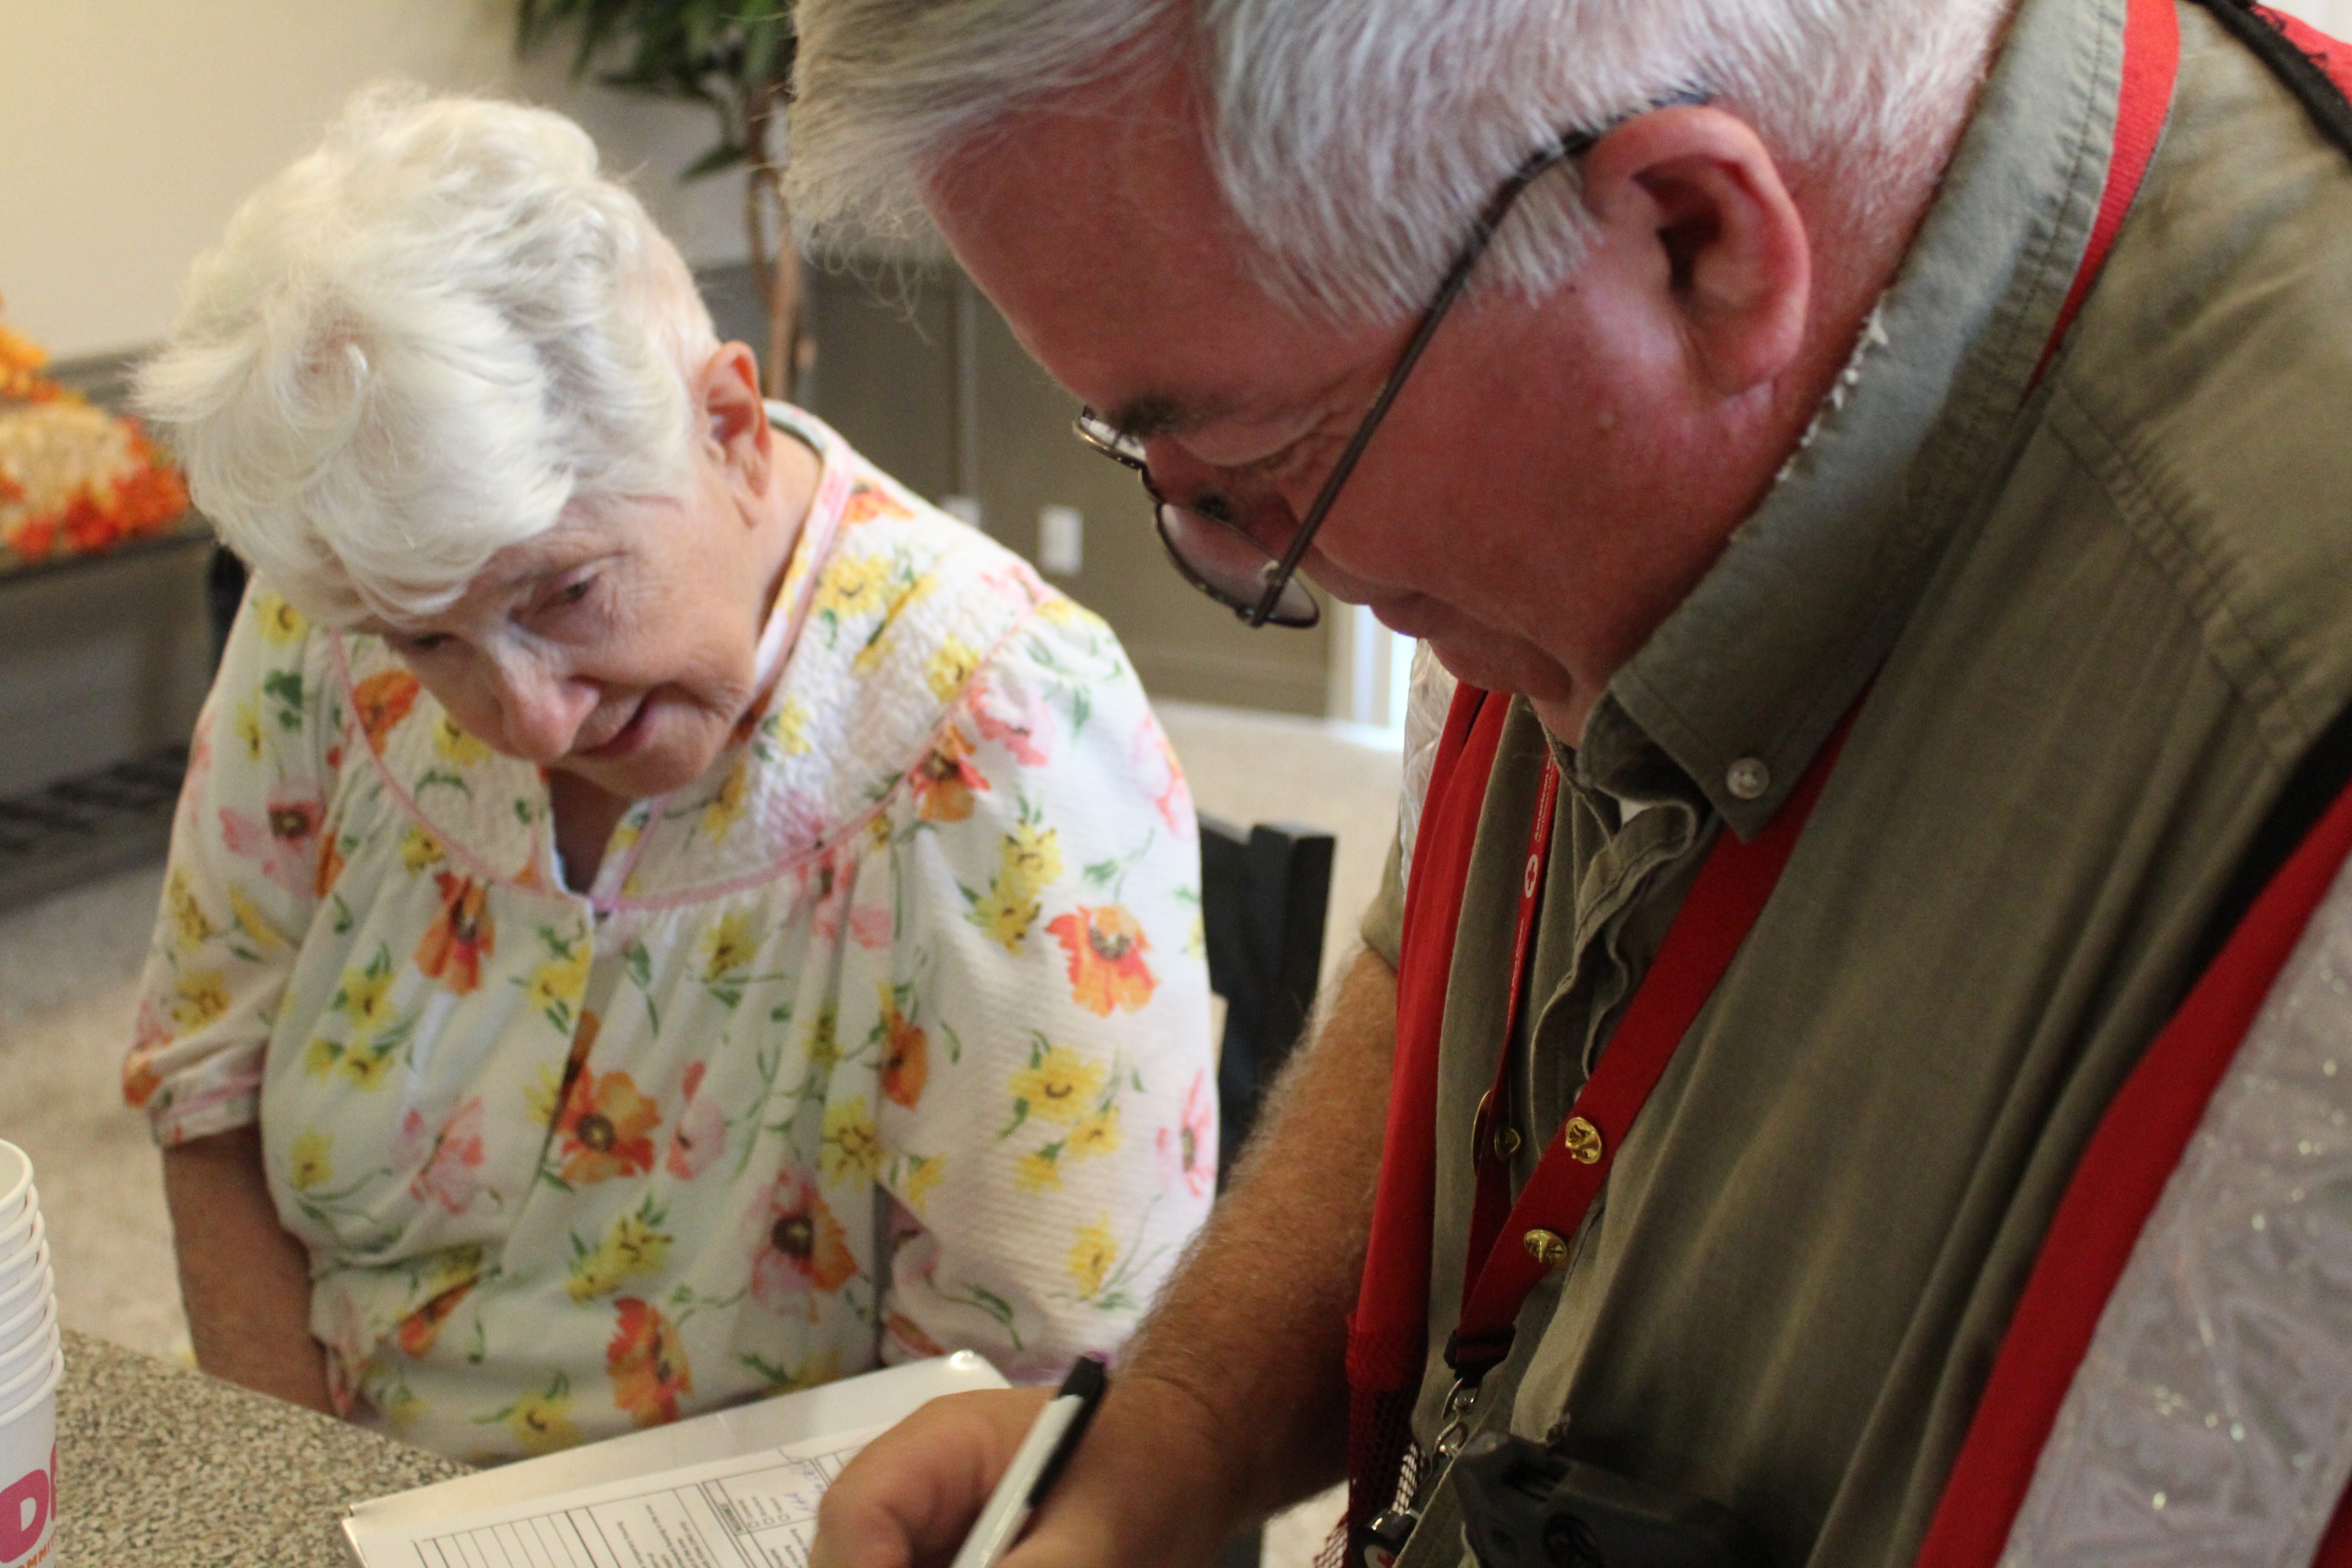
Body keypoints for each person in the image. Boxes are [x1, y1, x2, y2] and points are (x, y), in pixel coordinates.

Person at [779, 1, 2352, 1566]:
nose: (1279, 562)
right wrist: (1166, 1447)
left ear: (1694, 241)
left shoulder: (2283, 770)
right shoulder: (1555, 331)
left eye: (1255, 467)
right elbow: (1454, 964)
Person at [123, 87, 1217, 1462]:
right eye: (429, 642)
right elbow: (206, 1082)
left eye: (566, 591)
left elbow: (1034, 1386)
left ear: (729, 430)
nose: (524, 719)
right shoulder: (344, 595)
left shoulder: (1005, 736)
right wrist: (282, 1504)